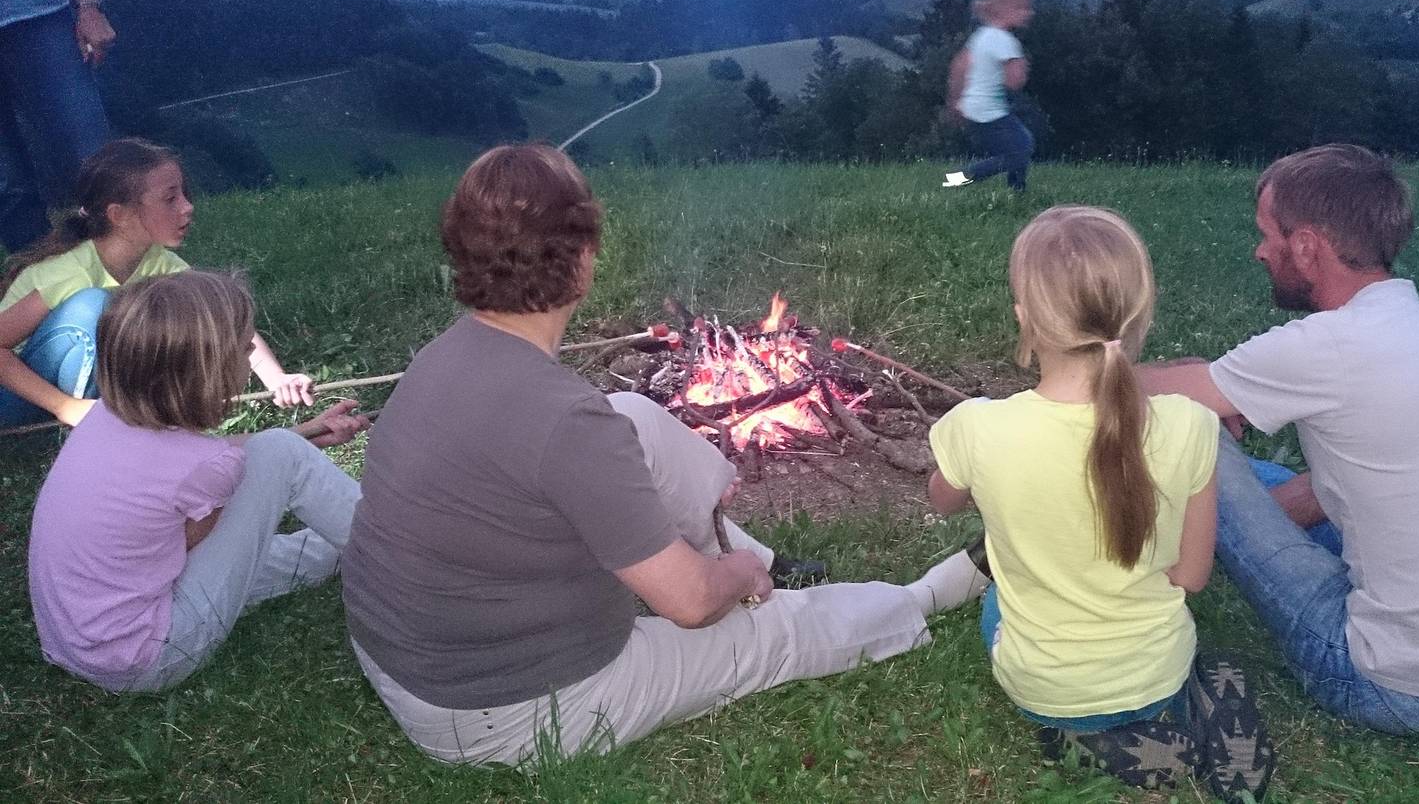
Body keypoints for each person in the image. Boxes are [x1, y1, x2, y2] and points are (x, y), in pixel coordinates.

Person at [342, 143, 990, 767]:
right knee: (770, 632)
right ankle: (914, 600)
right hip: (508, 708)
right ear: (583, 259)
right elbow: (690, 605)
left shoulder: (441, 357)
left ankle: (750, 551)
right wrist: (738, 578)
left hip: (403, 657)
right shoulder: (565, 420)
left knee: (630, 412)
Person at [1139, 143, 1419, 735]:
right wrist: (1244, 516)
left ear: (1306, 247)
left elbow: (1129, 392)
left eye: (1267, 234)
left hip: (1392, 686)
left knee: (1192, 428)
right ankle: (1194, 528)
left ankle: (1102, 548)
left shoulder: (1330, 345)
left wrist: (1187, 382)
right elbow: (1350, 483)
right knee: (1259, 475)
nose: (1259, 250)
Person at [927, 206, 1273, 802]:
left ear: (1025, 318)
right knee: (1162, 648)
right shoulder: (1191, 424)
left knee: (995, 601)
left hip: (1044, 690)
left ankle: (1081, 739)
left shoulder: (978, 428)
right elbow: (1191, 576)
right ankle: (1193, 702)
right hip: (1159, 673)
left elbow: (942, 499)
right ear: (1141, 316)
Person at [28, 270, 369, 693]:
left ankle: (344, 550)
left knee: (285, 493)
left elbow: (210, 474)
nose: (252, 354)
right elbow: (200, 532)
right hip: (153, 656)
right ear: (209, 371)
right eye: (244, 348)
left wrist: (307, 433)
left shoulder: (103, 417)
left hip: (81, 642)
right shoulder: (204, 466)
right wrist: (292, 445)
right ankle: (407, 550)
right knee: (280, 452)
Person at [0, 138, 315, 428]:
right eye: (170, 198)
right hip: (15, 396)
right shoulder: (70, 271)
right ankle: (103, 426)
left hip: (63, 397)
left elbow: (223, 320)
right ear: (118, 215)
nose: (187, 206)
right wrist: (65, 407)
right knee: (93, 307)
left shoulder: (159, 262)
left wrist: (276, 378)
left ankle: (108, 418)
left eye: (184, 194)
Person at [2, 0, 115, 252]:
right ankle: (41, 275)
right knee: (6, 184)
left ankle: (132, 270)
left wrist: (88, 6)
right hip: (40, 17)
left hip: (40, 15)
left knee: (92, 159)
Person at [942, 0, 1035, 192]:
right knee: (1020, 150)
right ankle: (957, 180)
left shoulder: (981, 36)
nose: (1028, 13)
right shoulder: (1005, 41)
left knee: (1020, 145)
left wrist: (955, 100)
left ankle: (1016, 191)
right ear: (1007, 10)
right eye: (1023, 8)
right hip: (989, 112)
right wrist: (1021, 66)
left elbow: (959, 66)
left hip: (974, 108)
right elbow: (1014, 82)